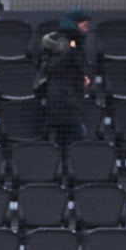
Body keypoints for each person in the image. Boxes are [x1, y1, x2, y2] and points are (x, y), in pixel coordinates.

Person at [38, 8, 91, 151]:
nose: (86, 30)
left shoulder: (77, 45)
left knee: (64, 142)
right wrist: (71, 51)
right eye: (84, 26)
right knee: (78, 136)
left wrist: (82, 78)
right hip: (61, 100)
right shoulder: (59, 42)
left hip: (70, 99)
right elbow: (54, 67)